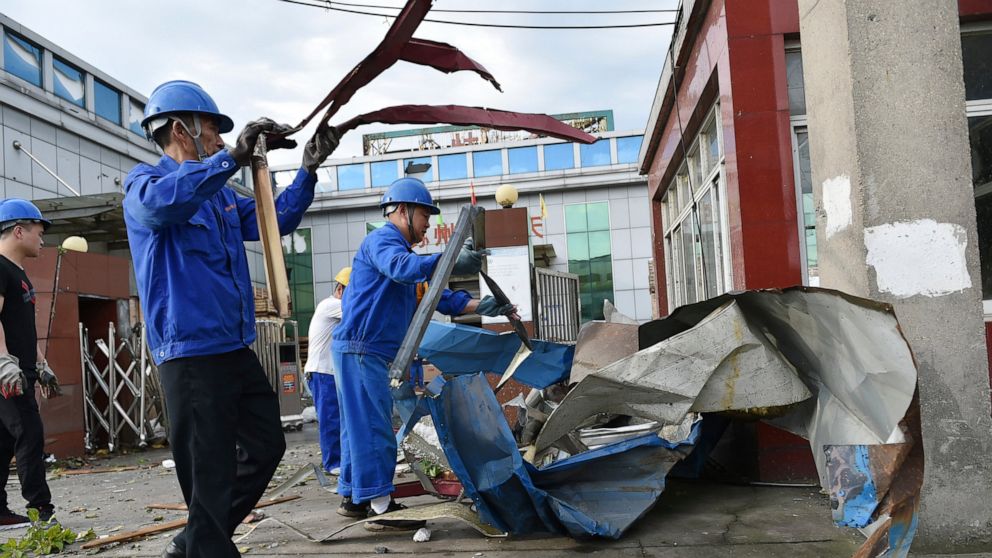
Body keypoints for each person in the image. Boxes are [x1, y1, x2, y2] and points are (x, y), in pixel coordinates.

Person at [123, 80, 340, 558]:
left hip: (233, 348)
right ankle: (208, 546)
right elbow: (166, 208)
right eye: (213, 131)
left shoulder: (220, 196)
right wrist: (231, 160)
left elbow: (272, 219)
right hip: (190, 354)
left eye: (225, 135)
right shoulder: (145, 185)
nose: (221, 141)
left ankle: (198, 541)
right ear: (180, 129)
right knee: (209, 472)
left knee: (266, 446)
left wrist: (307, 170)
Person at [331, 177, 515, 531]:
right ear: (403, 211)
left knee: (358, 429)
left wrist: (487, 306)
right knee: (372, 428)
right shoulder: (384, 241)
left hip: (364, 351)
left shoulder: (403, 255)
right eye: (424, 215)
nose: (428, 224)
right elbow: (404, 269)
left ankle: (355, 499)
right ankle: (381, 508)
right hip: (360, 349)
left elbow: (439, 298)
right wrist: (449, 259)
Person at [0, 199, 61, 529]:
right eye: (39, 232)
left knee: (5, 440)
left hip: (18, 370)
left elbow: (20, 327)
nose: (42, 239)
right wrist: (3, 363)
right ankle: (42, 512)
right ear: (18, 230)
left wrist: (41, 363)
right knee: (29, 433)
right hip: (6, 374)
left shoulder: (17, 273)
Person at [304, 266, 350, 475]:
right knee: (330, 417)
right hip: (322, 372)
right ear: (340, 289)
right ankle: (332, 463)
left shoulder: (337, 307)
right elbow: (361, 311)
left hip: (330, 372)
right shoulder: (331, 305)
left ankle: (338, 459)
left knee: (339, 417)